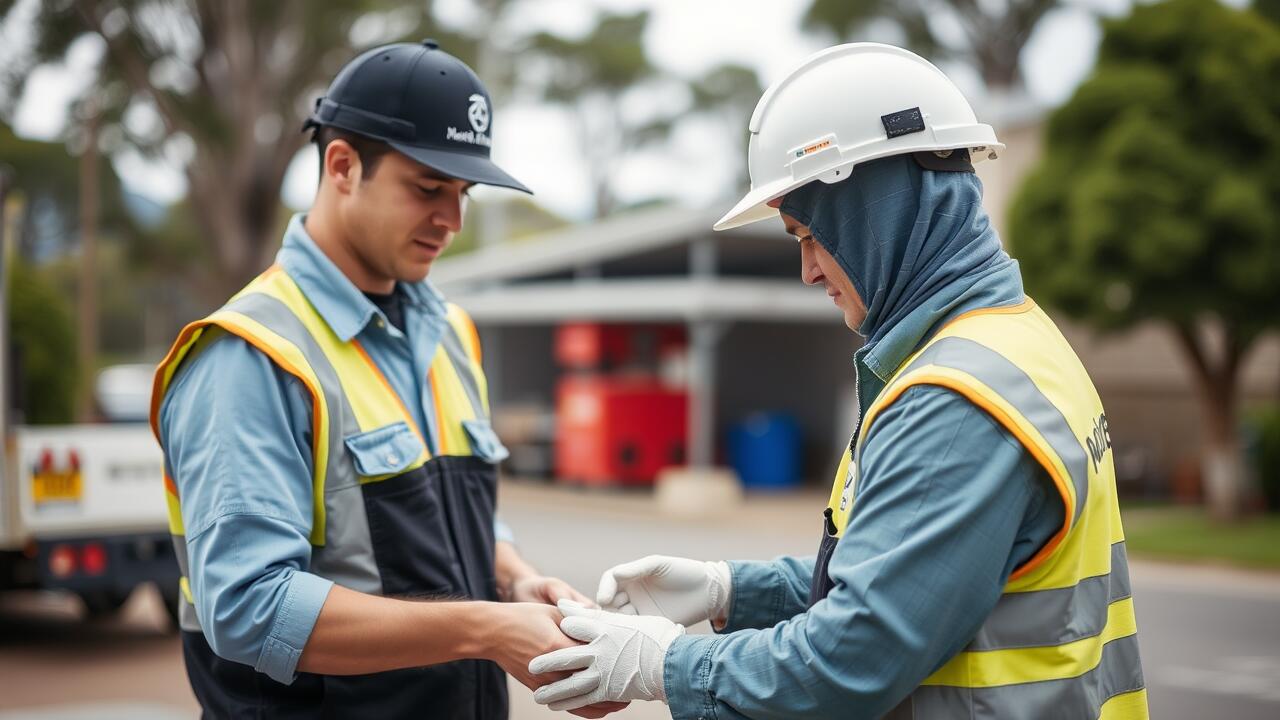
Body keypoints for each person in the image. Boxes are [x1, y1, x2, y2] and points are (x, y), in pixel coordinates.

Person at [529, 42, 1149, 719]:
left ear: (874, 209)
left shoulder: (953, 400)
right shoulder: (1018, 341)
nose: (808, 272)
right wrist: (730, 590)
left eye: (809, 235)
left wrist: (665, 665)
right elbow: (912, 574)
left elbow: (853, 656)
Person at [152, 41, 623, 719]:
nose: (452, 222)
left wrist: (516, 582)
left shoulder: (451, 334)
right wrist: (487, 629)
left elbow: (447, 521)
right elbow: (250, 608)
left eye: (463, 194)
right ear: (342, 166)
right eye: (428, 188)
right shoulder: (251, 358)